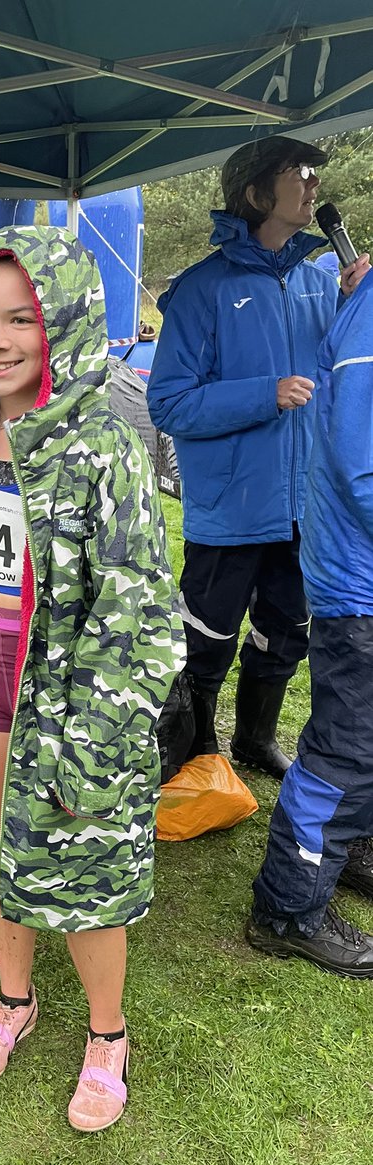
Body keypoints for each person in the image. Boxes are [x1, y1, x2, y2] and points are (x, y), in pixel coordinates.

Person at [0, 226, 185, 1131]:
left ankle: (108, 1035)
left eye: (20, 319)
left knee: (87, 871)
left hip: (73, 700)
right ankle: (15, 1001)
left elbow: (138, 607)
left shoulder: (105, 444)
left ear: (62, 319)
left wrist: (98, 738)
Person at [147, 135, 369, 779]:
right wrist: (263, 396)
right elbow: (170, 405)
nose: (313, 185)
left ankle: (254, 738)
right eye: (298, 173)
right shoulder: (200, 291)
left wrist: (358, 305)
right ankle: (194, 745)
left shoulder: (321, 283)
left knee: (285, 632)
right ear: (254, 194)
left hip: (306, 506)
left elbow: (344, 374)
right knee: (206, 637)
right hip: (230, 508)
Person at [246, 269, 373, 977]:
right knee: (345, 750)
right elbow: (363, 470)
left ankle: (349, 848)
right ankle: (286, 908)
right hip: (359, 589)